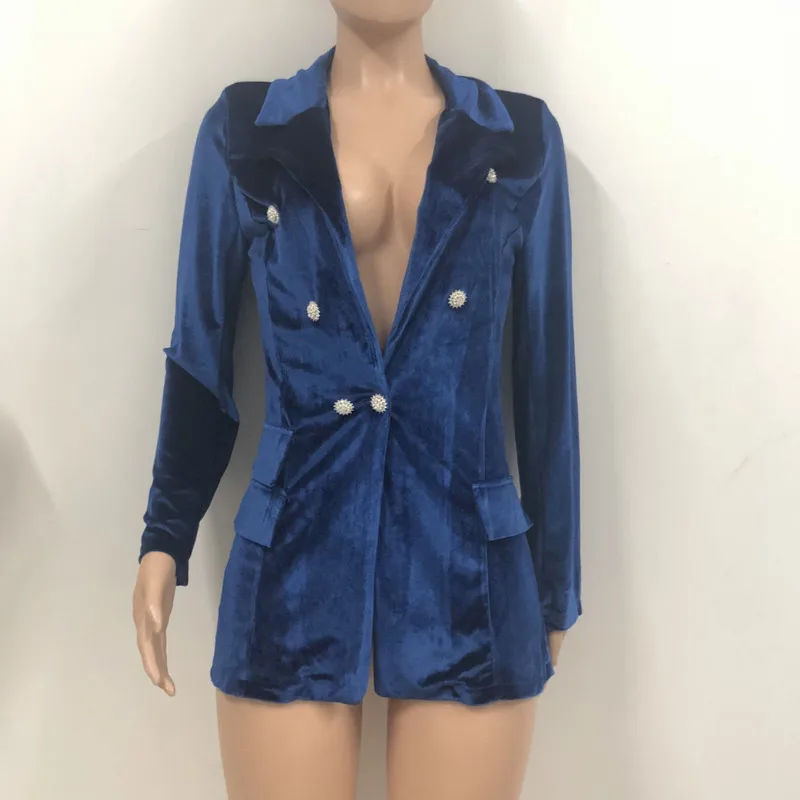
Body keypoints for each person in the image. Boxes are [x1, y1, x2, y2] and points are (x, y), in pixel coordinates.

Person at [132, 1, 581, 797]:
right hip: (291, 563)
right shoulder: (245, 132)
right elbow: (200, 361)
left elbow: (547, 384)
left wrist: (554, 584)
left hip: (470, 571)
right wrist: (164, 537)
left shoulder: (518, 141)